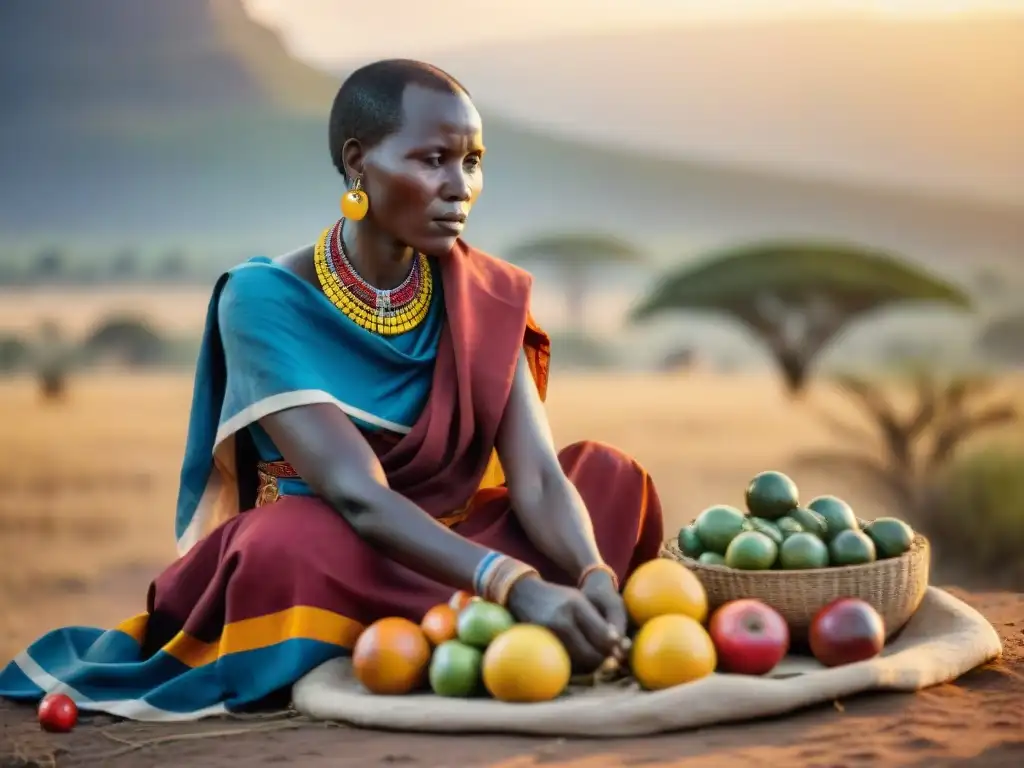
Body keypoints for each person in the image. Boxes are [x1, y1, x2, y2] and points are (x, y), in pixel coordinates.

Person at [0, 60, 664, 721]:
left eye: (472, 162)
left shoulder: (486, 293)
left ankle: (481, 626)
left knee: (608, 475)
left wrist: (591, 574)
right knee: (281, 544)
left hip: (455, 541)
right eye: (434, 159)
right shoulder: (262, 298)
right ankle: (486, 624)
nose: (459, 187)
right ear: (357, 164)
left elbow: (541, 480)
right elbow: (359, 496)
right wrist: (516, 584)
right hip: (343, 550)